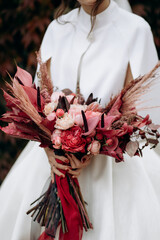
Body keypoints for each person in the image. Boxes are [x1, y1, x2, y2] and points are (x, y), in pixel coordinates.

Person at [0, 0, 160, 239]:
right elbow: (37, 107)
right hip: (52, 163)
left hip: (113, 171)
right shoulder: (56, 29)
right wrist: (50, 149)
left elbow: (146, 116)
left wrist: (96, 144)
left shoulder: (136, 30)